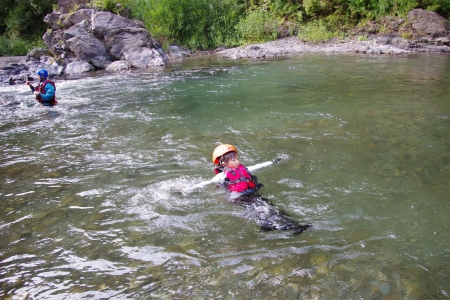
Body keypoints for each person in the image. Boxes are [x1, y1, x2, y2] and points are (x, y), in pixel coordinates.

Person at [210, 144, 311, 234]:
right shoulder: (222, 176)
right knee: (258, 209)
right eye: (233, 160)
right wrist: (193, 187)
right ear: (223, 163)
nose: (237, 162)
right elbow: (206, 183)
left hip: (250, 193)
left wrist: (272, 162)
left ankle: (295, 225)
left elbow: (258, 166)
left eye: (237, 159)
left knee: (271, 207)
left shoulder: (242, 169)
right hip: (238, 197)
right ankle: (271, 226)